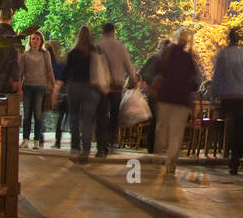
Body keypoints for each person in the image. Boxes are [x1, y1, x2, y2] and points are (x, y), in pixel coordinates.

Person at [210, 27, 243, 174]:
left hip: (227, 95)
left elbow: (218, 75)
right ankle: (236, 154)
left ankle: (226, 149)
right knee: (240, 125)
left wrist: (214, 95)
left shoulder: (223, 54)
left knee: (223, 123)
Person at [153, 29, 199, 177]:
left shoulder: (166, 54)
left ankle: (158, 158)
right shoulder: (188, 58)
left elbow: (157, 71)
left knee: (161, 129)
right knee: (176, 134)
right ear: (186, 42)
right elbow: (194, 82)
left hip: (165, 96)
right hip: (181, 99)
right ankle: (171, 164)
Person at [93, 23, 137, 158]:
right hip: (117, 87)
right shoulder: (121, 47)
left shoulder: (98, 45)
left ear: (103, 31)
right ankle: (111, 140)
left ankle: (101, 147)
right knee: (114, 115)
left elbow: (93, 66)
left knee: (101, 116)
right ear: (113, 31)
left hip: (102, 87)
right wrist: (133, 79)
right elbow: (129, 66)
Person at [63, 26, 102, 161]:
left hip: (75, 87)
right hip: (91, 89)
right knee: (87, 121)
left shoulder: (73, 53)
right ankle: (86, 150)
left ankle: (75, 147)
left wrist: (59, 86)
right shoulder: (94, 52)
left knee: (74, 117)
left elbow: (66, 72)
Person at [19, 31, 54, 149]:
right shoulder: (25, 54)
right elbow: (21, 72)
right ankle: (25, 139)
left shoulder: (45, 54)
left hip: (40, 86)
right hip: (28, 86)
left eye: (37, 39)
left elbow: (49, 70)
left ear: (41, 41)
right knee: (26, 114)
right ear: (30, 40)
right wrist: (19, 88)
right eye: (32, 39)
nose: (34, 41)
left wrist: (54, 86)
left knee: (38, 113)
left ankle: (37, 140)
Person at [140, 39, 171, 153]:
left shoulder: (157, 59)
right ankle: (153, 145)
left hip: (155, 92)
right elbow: (144, 73)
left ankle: (153, 145)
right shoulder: (157, 59)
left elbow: (143, 73)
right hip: (156, 92)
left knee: (157, 118)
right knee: (158, 118)